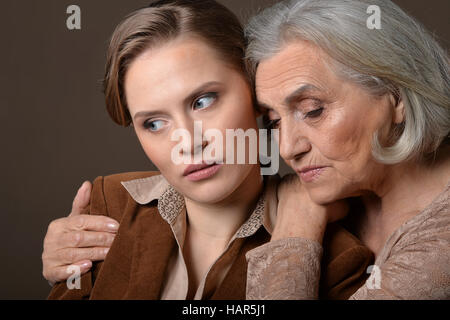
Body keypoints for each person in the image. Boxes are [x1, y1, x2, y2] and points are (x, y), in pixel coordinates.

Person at [44, 0, 373, 300]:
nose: (188, 142)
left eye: (203, 101)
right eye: (154, 123)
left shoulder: (335, 257)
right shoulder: (105, 210)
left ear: (255, 89)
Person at [244, 0, 450, 299]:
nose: (288, 149)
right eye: (274, 121)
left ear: (396, 98)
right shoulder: (346, 195)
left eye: (313, 110)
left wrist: (296, 228)